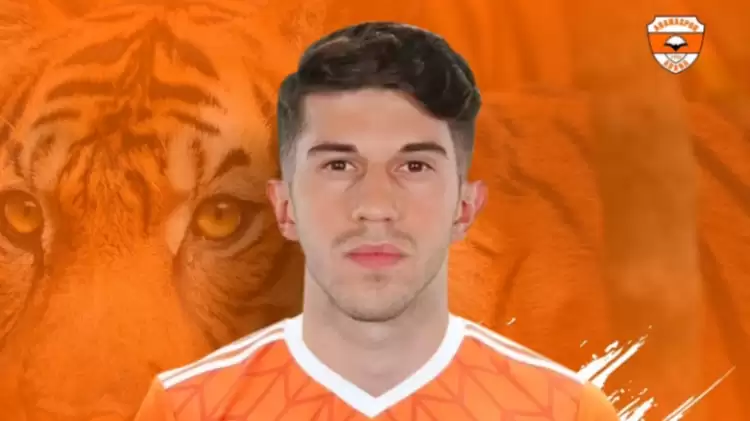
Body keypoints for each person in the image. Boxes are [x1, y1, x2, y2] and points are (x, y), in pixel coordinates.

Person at [133, 21, 620, 421]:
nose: (375, 205)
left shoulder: (567, 411)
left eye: (414, 166)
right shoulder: (184, 408)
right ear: (284, 207)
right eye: (339, 165)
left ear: (465, 207)